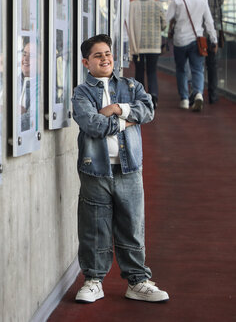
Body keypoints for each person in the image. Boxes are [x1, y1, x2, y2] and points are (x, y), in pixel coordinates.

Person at [72, 34, 169, 304]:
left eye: (108, 54)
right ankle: (93, 280)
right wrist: (127, 121)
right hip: (95, 170)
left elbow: (148, 109)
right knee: (94, 227)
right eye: (98, 55)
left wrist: (116, 108)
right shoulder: (81, 92)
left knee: (132, 225)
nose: (105, 59)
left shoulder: (131, 84)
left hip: (129, 169)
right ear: (85, 62)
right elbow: (92, 125)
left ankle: (137, 281)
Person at [166, 0, 217, 111]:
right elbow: (209, 22)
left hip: (180, 41)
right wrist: (214, 39)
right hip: (197, 40)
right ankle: (198, 93)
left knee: (181, 69)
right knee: (197, 69)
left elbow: (166, 19)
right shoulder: (202, 1)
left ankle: (184, 99)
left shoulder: (177, 1)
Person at [128, 0, 166, 109]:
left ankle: (140, 97)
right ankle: (154, 96)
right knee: (152, 71)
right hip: (154, 46)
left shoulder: (133, 4)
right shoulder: (158, 5)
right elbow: (164, 24)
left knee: (139, 70)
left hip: (137, 45)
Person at [194, 0, 223, 104]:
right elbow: (220, 3)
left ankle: (197, 93)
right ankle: (213, 95)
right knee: (212, 65)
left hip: (200, 35)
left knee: (197, 66)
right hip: (213, 33)